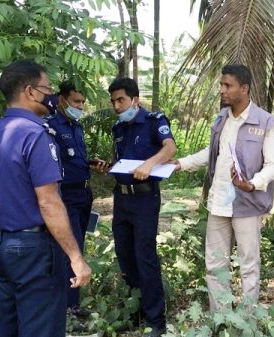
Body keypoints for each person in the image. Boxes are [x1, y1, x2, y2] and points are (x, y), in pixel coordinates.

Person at [0, 60, 91, 337]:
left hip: (2, 242)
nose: (51, 95)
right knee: (42, 327)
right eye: (47, 88)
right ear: (30, 91)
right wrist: (76, 257)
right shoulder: (36, 135)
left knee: (9, 324)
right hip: (34, 249)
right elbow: (49, 202)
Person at [173, 64, 274, 311]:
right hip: (218, 202)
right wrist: (181, 163)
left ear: (244, 88)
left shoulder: (265, 122)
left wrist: (252, 184)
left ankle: (247, 320)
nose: (222, 90)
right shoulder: (221, 118)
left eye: (228, 85)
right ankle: (221, 319)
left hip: (247, 205)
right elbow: (213, 153)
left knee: (248, 266)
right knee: (214, 265)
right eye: (221, 85)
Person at [109, 77, 177, 336]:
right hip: (121, 198)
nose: (116, 105)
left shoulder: (154, 121)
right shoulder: (118, 128)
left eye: (121, 100)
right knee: (125, 255)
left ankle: (155, 320)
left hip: (145, 199)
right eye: (113, 101)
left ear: (135, 100)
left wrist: (150, 163)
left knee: (145, 256)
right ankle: (135, 309)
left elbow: (170, 148)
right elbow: (121, 161)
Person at [44, 80, 108, 316]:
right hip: (66, 195)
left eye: (82, 102)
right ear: (62, 100)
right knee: (70, 250)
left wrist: (92, 163)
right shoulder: (50, 126)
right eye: (76, 101)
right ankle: (68, 308)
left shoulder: (76, 126)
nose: (80, 106)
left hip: (84, 193)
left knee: (79, 245)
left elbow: (73, 159)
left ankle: (72, 303)